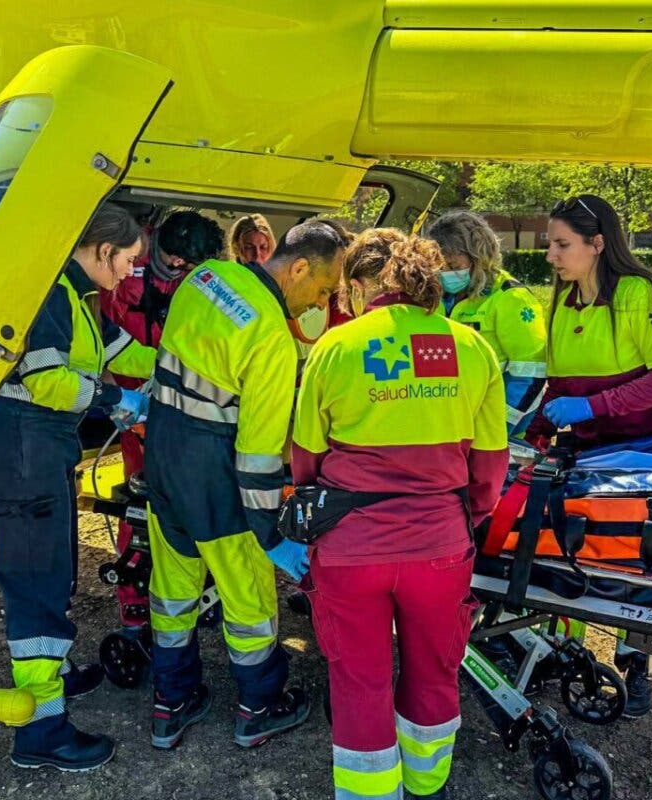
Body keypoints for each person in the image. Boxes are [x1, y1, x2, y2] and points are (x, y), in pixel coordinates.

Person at [293, 228, 509, 800]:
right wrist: (467, 517)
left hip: (349, 550)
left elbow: (305, 461)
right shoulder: (469, 347)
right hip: (439, 549)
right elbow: (489, 467)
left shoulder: (335, 348)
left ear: (363, 285)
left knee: (359, 680)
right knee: (434, 672)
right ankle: (428, 783)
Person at [141, 220, 346, 749]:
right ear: (298, 268)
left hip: (163, 460)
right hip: (217, 483)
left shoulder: (206, 278)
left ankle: (171, 702)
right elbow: (256, 457)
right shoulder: (274, 340)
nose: (317, 304)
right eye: (322, 289)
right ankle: (258, 707)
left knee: (171, 590)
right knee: (249, 601)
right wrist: (270, 534)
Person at [0, 204, 156, 771]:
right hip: (22, 447)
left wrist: (188, 368)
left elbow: (125, 352)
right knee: (37, 579)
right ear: (103, 251)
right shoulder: (52, 294)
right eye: (128, 260)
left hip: (41, 446)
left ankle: (53, 678)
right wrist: (115, 401)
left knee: (57, 565)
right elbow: (46, 377)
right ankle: (41, 730)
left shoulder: (82, 298)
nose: (131, 273)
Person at [527, 193, 652, 718]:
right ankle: (563, 648)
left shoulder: (641, 295)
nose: (551, 256)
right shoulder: (563, 302)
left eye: (562, 245)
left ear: (597, 244)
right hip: (595, 452)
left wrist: (594, 404)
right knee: (583, 551)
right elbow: (559, 385)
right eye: (549, 245)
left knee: (646, 560)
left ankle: (639, 658)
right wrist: (533, 430)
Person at [99, 210, 226, 628]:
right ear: (172, 259)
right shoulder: (122, 281)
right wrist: (126, 399)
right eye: (189, 268)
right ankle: (134, 596)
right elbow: (108, 343)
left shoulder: (204, 282)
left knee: (193, 496)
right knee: (140, 502)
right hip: (140, 408)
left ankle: (198, 583)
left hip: (185, 403)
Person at [428, 210, 547, 436]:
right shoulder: (437, 297)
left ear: (478, 258)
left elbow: (529, 374)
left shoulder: (511, 299)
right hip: (453, 425)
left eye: (453, 266)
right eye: (438, 266)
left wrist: (496, 427)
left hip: (504, 428)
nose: (444, 273)